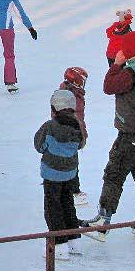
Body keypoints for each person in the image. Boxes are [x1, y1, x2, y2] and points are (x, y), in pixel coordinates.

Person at [84, 30, 135, 242]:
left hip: (131, 133)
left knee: (114, 172)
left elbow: (108, 87)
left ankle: (103, 222)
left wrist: (116, 65)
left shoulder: (131, 72)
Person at [34, 89, 85, 260]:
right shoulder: (77, 125)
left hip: (52, 174)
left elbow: (39, 146)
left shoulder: (49, 126)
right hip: (70, 173)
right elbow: (80, 145)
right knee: (67, 204)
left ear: (54, 109)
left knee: (53, 207)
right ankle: (74, 241)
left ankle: (59, 245)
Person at [60, 67, 90, 206]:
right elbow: (76, 119)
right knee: (70, 164)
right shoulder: (69, 96)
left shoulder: (75, 94)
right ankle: (73, 191)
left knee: (71, 163)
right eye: (81, 81)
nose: (83, 84)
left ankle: (72, 190)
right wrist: (81, 135)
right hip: (69, 136)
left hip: (72, 135)